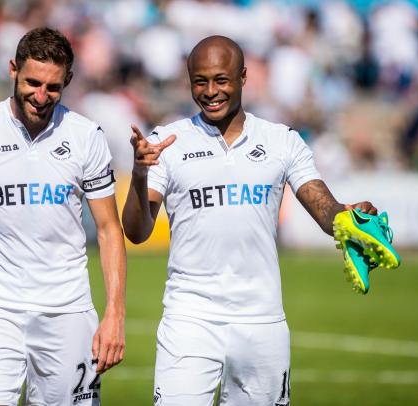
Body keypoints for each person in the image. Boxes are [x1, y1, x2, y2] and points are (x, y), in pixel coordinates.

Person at [122, 35, 387, 405]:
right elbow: (135, 231)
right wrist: (138, 173)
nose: (210, 91)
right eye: (200, 81)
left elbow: (324, 209)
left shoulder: (282, 140)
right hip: (189, 319)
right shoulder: (168, 141)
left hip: (262, 323)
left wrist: (350, 216)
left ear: (243, 77)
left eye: (221, 80)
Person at [0, 27, 126, 406]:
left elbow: (109, 229)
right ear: (13, 69)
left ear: (68, 81)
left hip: (67, 310)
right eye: (32, 82)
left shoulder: (87, 136)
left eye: (53, 87)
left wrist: (114, 314)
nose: (41, 96)